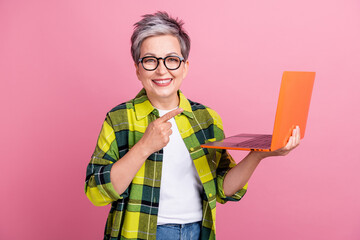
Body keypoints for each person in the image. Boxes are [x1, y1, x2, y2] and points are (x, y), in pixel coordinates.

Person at [84, 11, 300, 240]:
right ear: (137, 69)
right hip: (142, 234)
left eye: (172, 59)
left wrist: (258, 155)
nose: (161, 70)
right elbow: (96, 192)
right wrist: (144, 147)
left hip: (198, 232)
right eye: (150, 60)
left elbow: (223, 189)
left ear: (185, 66)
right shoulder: (119, 119)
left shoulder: (206, 118)